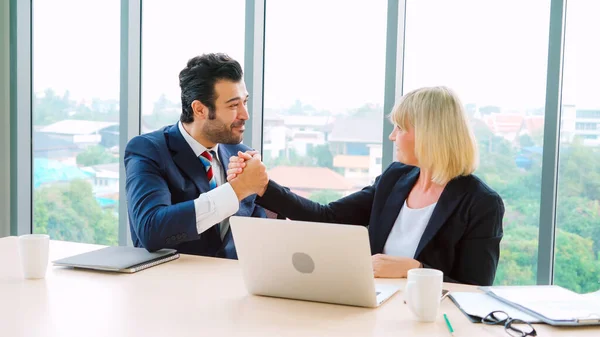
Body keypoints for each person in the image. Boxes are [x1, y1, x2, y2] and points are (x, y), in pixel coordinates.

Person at [227, 86, 504, 286]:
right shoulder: (396, 178)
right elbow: (328, 216)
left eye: (400, 127)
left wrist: (416, 269)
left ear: (429, 134)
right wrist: (262, 186)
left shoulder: (481, 203)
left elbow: (475, 288)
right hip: (374, 305)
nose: (392, 136)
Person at [124, 53, 268, 259]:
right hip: (169, 286)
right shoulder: (148, 150)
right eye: (233, 105)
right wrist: (236, 191)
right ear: (200, 109)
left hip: (234, 284)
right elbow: (150, 229)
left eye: (245, 102)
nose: (245, 114)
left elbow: (259, 228)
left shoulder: (240, 155)